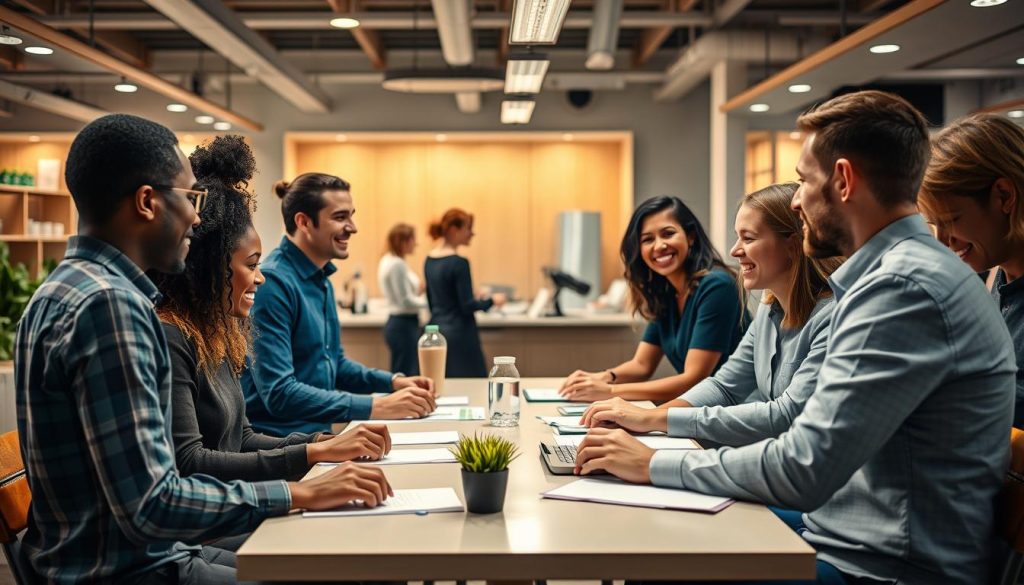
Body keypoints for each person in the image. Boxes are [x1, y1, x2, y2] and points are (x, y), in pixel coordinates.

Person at [574, 91, 1015, 585]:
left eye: (804, 180)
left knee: (657, 557)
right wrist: (654, 440)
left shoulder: (902, 289)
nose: (798, 199)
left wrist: (654, 465)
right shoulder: (890, 278)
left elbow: (804, 465)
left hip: (883, 567)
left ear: (844, 180)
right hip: (842, 535)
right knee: (652, 535)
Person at [14, 114, 393, 585]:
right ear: (148, 202)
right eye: (189, 198)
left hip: (135, 557)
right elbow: (154, 506)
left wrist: (313, 456)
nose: (196, 216)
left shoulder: (61, 292)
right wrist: (301, 494)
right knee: (348, 567)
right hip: (130, 569)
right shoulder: (110, 306)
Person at [153, 135, 393, 484]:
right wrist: (313, 454)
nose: (260, 278)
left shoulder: (215, 334)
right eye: (251, 265)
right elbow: (190, 462)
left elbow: (241, 438)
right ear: (212, 268)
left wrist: (321, 444)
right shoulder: (172, 336)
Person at [582, 183, 843, 447]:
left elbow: (786, 415)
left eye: (748, 238)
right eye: (647, 239)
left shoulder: (831, 317)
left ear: (794, 245)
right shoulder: (768, 309)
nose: (735, 250)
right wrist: (647, 416)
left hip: (759, 446)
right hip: (751, 443)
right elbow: (722, 386)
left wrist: (650, 418)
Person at [242, 172, 436, 436]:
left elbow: (335, 364)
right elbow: (279, 393)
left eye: (351, 215)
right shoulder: (273, 283)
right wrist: (375, 406)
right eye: (340, 217)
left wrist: (393, 382)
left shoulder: (321, 279)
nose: (353, 227)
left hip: (319, 437)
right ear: (304, 222)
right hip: (281, 445)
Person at [559, 196, 749, 403]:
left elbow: (694, 380)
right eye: (647, 239)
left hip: (734, 411)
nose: (659, 246)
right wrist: (603, 377)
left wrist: (609, 391)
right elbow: (642, 365)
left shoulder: (717, 285)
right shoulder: (667, 292)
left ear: (691, 236)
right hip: (701, 409)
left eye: (668, 234)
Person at [917, 113, 1024, 428]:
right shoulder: (993, 276)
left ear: (1004, 196)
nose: (942, 241)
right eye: (933, 225)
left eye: (951, 220)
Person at [423, 208, 506, 377]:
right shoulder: (459, 263)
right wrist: (492, 300)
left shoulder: (429, 260)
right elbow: (467, 306)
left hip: (436, 331)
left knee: (442, 385)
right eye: (468, 228)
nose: (472, 233)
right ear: (454, 229)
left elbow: (433, 301)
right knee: (470, 386)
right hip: (460, 334)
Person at [379, 223, 427, 374]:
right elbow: (405, 301)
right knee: (405, 374)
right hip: (404, 325)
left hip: (399, 324)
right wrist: (430, 302)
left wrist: (417, 291)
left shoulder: (388, 260)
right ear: (404, 241)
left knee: (402, 372)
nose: (416, 243)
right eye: (413, 239)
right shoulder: (397, 264)